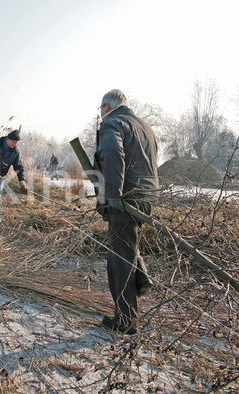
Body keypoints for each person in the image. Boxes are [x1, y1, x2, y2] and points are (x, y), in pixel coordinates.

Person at [94, 89, 159, 334]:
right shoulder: (145, 126)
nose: (100, 114)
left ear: (107, 107)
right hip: (146, 196)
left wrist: (113, 194)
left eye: (100, 109)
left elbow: (112, 155)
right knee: (128, 244)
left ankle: (125, 321)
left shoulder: (113, 124)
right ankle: (142, 279)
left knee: (119, 259)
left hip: (126, 196)